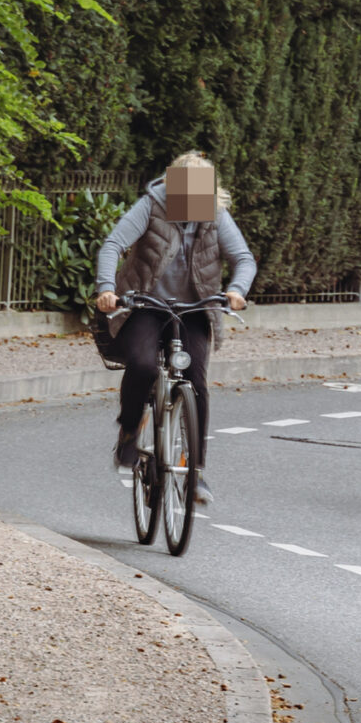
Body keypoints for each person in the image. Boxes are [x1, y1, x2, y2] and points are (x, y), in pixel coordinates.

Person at [94, 151, 256, 500]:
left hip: (194, 309)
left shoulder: (216, 215)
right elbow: (113, 245)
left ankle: (195, 473)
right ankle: (128, 432)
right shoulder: (152, 206)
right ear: (173, 186)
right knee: (142, 365)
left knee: (196, 382)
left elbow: (243, 258)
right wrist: (107, 289)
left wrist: (236, 290)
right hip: (147, 304)